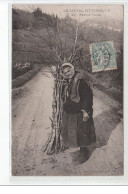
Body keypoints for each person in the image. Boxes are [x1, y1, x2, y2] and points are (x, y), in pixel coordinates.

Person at [60, 63, 96, 164]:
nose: (67, 73)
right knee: (75, 133)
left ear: (73, 69)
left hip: (79, 112)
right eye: (65, 72)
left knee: (80, 133)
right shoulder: (69, 81)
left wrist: (85, 111)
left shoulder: (80, 81)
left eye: (69, 70)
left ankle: (81, 156)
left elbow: (87, 97)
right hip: (72, 112)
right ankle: (81, 152)